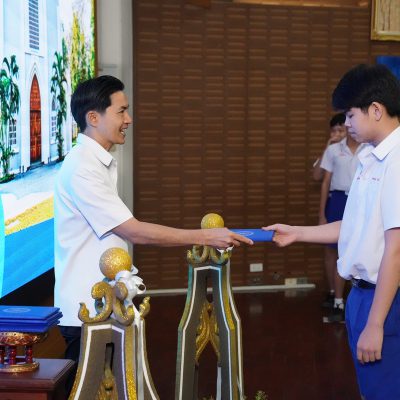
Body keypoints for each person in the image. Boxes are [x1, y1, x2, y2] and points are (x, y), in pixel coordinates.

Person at [53, 75, 253, 377]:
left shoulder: (96, 161)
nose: (128, 119)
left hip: (105, 305)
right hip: (88, 310)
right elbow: (132, 231)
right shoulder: (82, 167)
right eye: (121, 111)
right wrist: (206, 236)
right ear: (93, 117)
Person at [263, 63, 400, 400]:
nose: (346, 124)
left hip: (385, 301)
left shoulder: (397, 161)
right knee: (370, 388)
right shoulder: (370, 157)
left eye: (350, 115)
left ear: (376, 110)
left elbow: (396, 248)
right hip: (361, 296)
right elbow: (351, 225)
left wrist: (375, 323)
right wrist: (296, 232)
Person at [318, 113, 366, 322]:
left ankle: (350, 297)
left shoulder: (369, 147)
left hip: (359, 200)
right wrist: (322, 214)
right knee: (335, 250)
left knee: (358, 248)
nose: (348, 125)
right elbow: (324, 181)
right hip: (338, 200)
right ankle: (336, 297)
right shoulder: (333, 149)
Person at [312, 114, 347, 182]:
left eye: (340, 131)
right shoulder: (330, 150)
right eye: (333, 131)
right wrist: (327, 149)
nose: (336, 134)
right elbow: (317, 176)